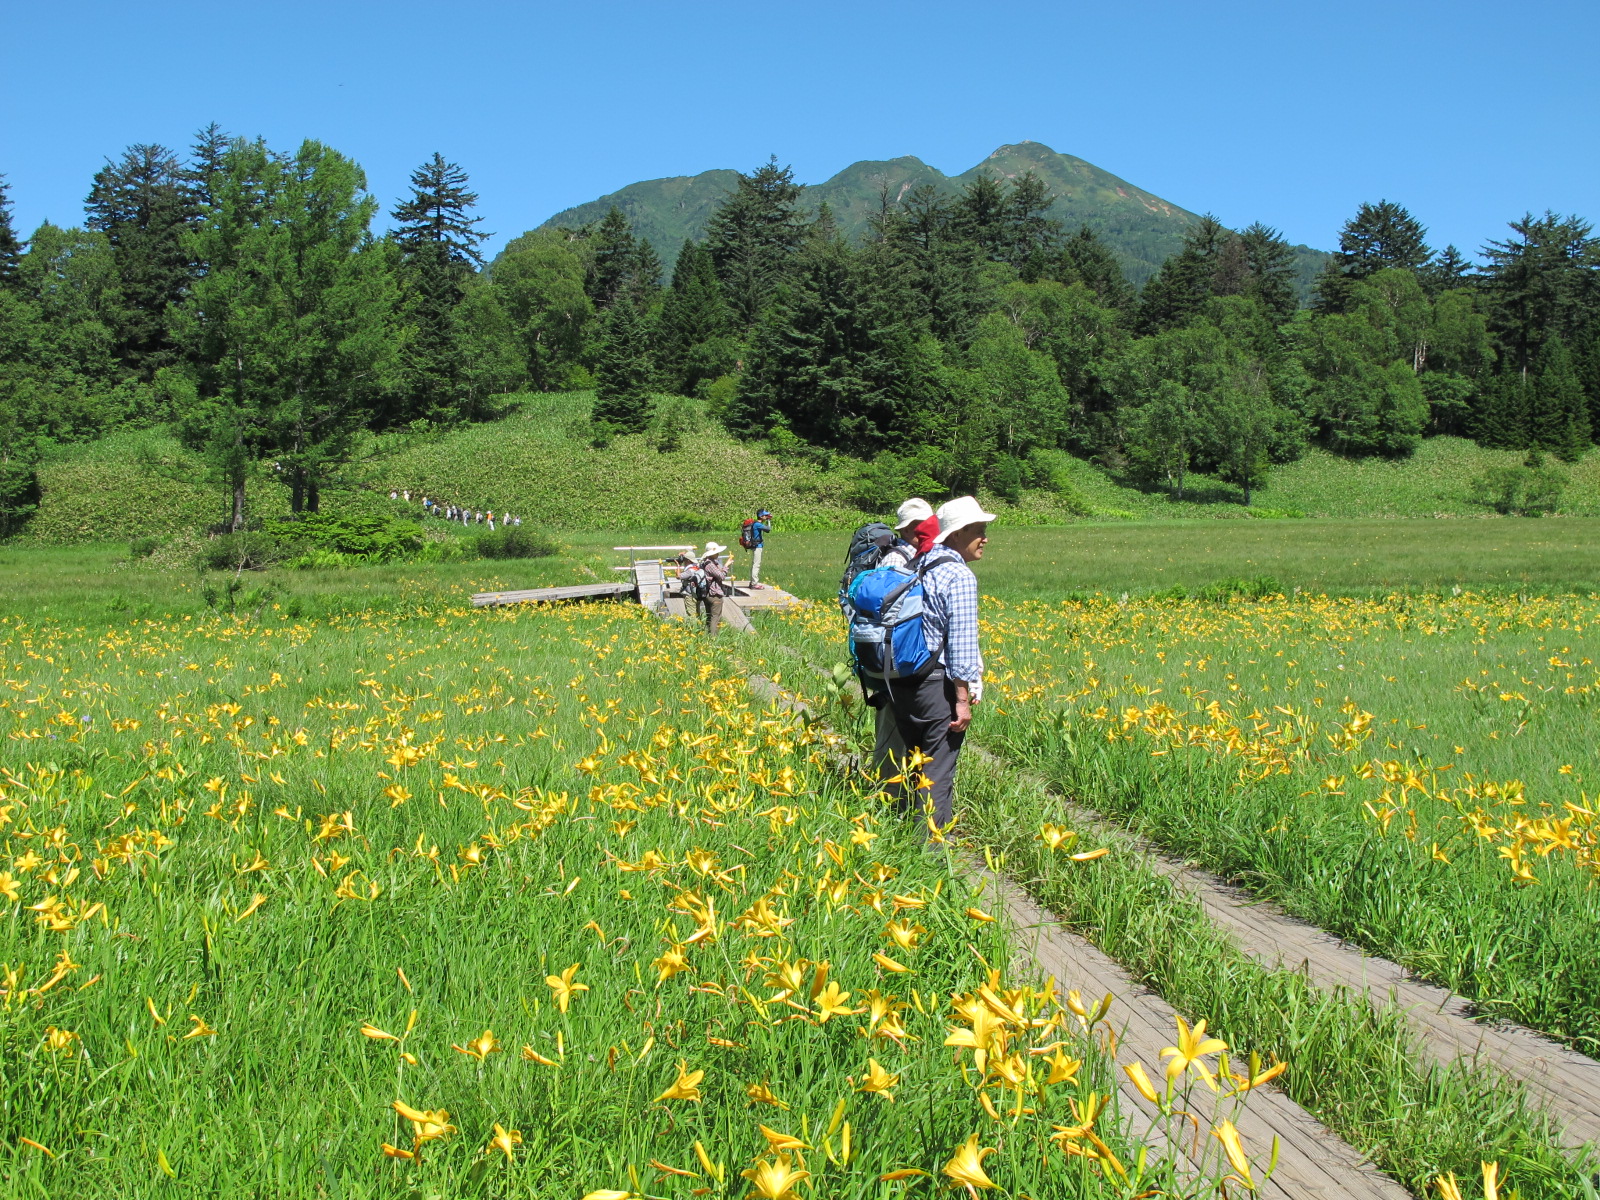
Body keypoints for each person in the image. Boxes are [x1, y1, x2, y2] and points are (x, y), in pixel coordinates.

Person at [882, 495, 992, 835]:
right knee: (937, 772)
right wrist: (962, 699)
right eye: (978, 530)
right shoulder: (958, 575)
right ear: (956, 534)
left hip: (902, 680)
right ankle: (929, 852)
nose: (984, 538)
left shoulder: (918, 563)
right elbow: (961, 643)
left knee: (916, 762)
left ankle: (905, 836)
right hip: (935, 685)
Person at [699, 542, 730, 635]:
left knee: (710, 616)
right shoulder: (710, 564)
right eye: (716, 552)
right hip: (714, 593)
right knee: (715, 618)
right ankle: (713, 638)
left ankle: (708, 636)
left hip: (707, 593)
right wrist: (726, 565)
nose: (718, 554)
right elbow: (721, 576)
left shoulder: (705, 563)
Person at [747, 509, 771, 588]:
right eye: (765, 515)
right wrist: (769, 521)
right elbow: (768, 529)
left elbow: (767, 531)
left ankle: (752, 582)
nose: (766, 516)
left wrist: (767, 519)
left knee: (755, 564)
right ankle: (754, 583)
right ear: (761, 516)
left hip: (757, 546)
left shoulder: (756, 524)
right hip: (757, 546)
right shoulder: (757, 524)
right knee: (756, 565)